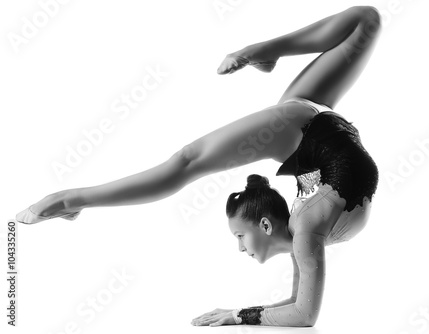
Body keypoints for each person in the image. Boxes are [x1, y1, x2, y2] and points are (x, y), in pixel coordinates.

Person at [16, 5, 382, 327]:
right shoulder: (306, 230)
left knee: (367, 20)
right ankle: (70, 200)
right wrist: (240, 316)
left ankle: (267, 51)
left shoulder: (306, 234)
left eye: (238, 237)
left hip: (318, 121)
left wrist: (237, 313)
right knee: (186, 161)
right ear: (267, 224)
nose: (240, 248)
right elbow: (305, 317)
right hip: (298, 129)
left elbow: (296, 307)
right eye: (240, 236)